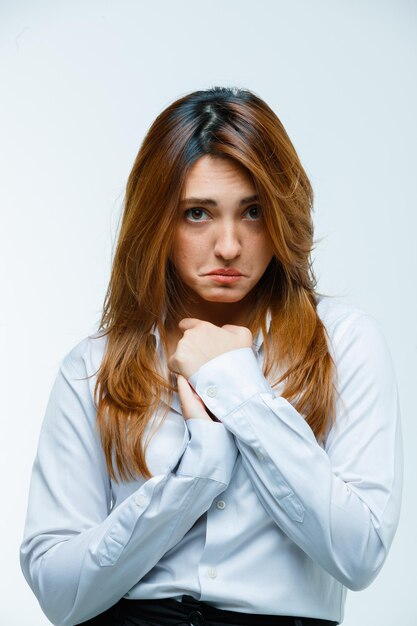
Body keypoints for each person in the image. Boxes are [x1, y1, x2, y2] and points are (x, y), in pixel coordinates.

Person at [20, 87, 403, 626]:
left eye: (253, 212)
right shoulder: (93, 367)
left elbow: (360, 554)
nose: (228, 246)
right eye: (197, 213)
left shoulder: (345, 346)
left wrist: (237, 388)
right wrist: (196, 472)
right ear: (157, 222)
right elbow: (58, 590)